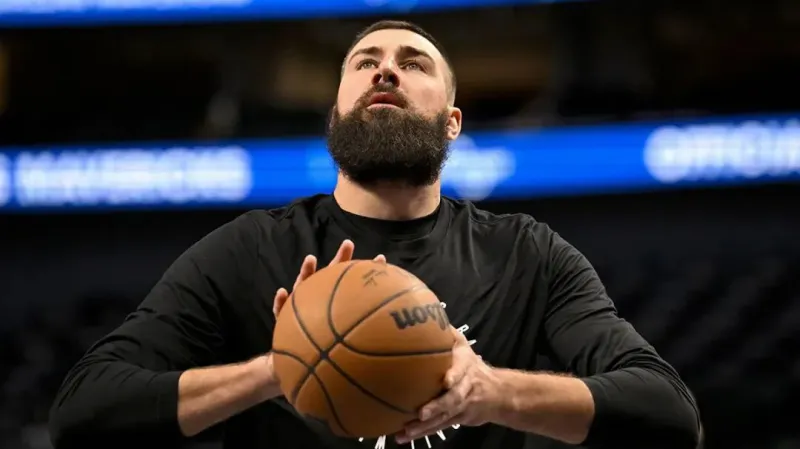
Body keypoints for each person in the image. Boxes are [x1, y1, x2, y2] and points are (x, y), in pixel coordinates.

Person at [48, 20, 701, 449]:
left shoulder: (526, 254)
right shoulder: (250, 248)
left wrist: (491, 392)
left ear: (452, 122)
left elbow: (671, 414)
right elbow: (82, 410)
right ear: (335, 114)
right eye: (365, 62)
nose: (385, 71)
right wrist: (277, 369)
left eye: (413, 63)